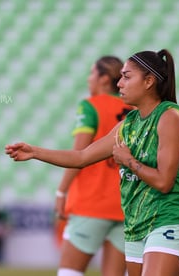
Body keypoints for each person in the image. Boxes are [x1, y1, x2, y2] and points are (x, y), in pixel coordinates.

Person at [5, 49, 179, 276]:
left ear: (149, 81)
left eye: (126, 77)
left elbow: (165, 182)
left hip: (168, 219)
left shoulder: (170, 117)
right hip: (135, 224)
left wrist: (129, 161)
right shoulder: (129, 123)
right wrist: (35, 151)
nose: (119, 83)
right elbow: (82, 157)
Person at [54, 56, 132, 276]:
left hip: (92, 203)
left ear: (104, 79)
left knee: (70, 272)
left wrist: (61, 192)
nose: (89, 79)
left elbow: (79, 155)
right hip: (126, 206)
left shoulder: (90, 106)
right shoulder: (136, 110)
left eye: (91, 73)